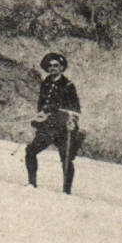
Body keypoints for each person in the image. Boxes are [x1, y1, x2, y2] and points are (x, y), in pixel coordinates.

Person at [26, 51, 83, 194]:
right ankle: (31, 184)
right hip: (48, 125)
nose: (52, 68)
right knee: (30, 151)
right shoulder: (46, 83)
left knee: (66, 159)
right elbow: (42, 103)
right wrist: (40, 114)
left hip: (63, 127)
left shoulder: (68, 85)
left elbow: (75, 108)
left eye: (56, 66)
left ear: (62, 67)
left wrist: (73, 121)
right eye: (50, 66)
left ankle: (66, 191)